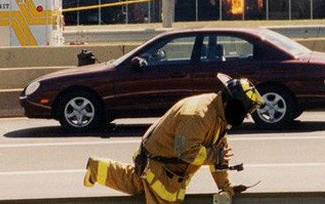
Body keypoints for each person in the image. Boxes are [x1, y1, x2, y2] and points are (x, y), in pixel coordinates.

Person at [83, 73, 264, 202]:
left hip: (162, 161)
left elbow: (219, 155)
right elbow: (185, 152)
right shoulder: (198, 116)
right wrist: (213, 156)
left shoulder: (220, 117)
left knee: (138, 183)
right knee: (163, 195)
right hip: (161, 166)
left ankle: (96, 167)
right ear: (230, 103)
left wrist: (225, 185)